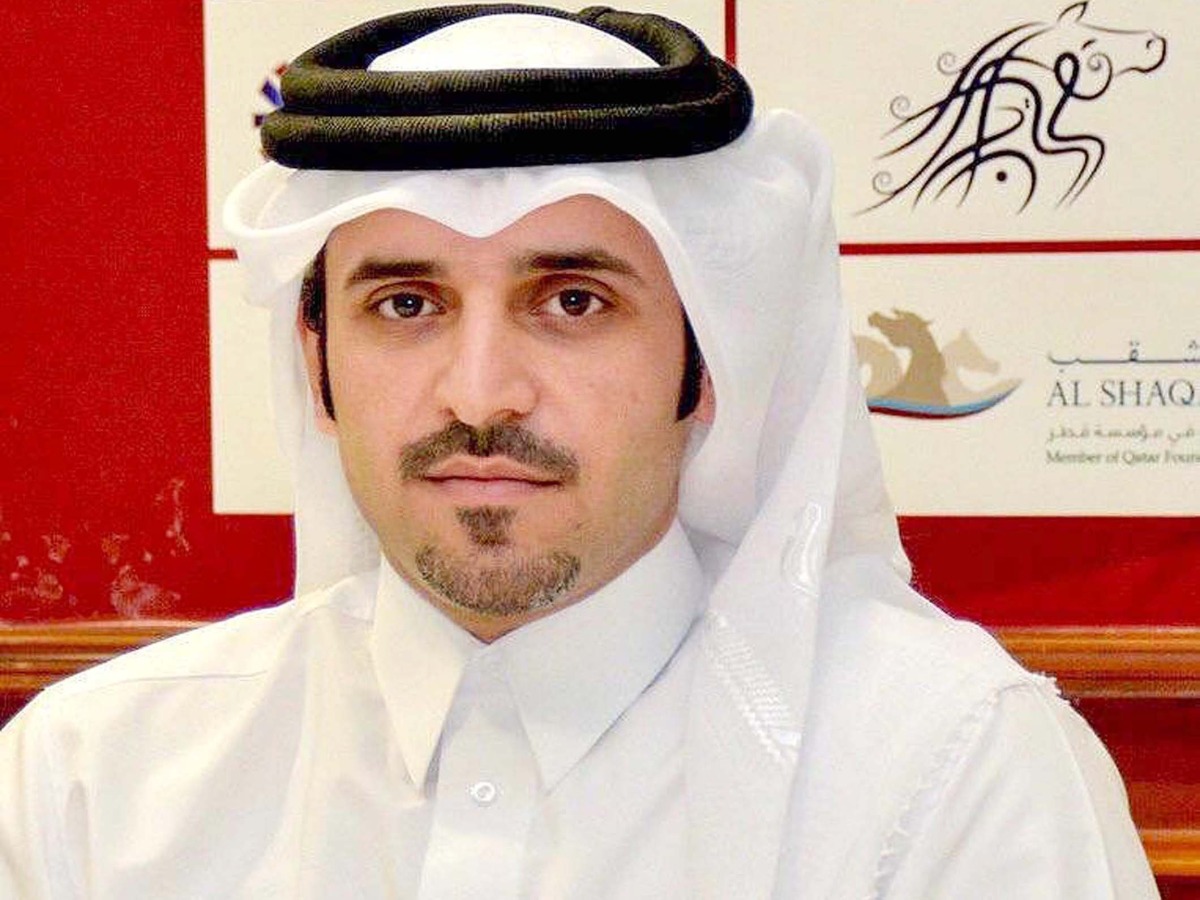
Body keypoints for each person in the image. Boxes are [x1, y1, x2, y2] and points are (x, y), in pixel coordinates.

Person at [0, 6, 1158, 898]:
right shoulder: (95, 782)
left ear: (712, 365)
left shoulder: (952, 774)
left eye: (572, 302)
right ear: (318, 367)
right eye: (406, 305)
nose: (480, 393)